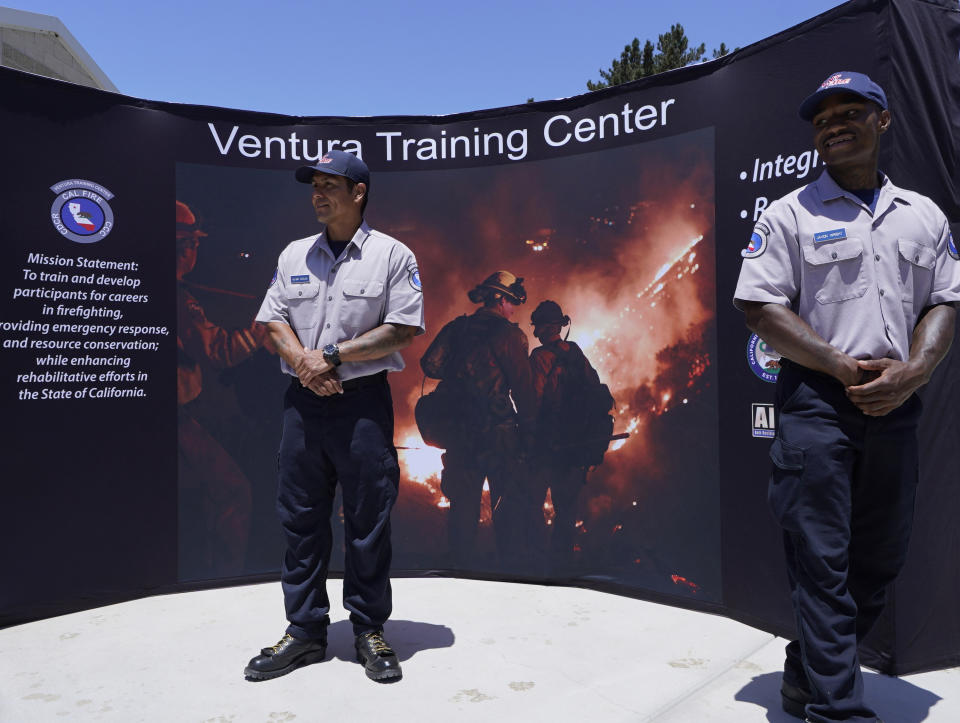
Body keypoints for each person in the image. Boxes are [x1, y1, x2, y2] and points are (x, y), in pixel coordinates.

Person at [734, 71, 960, 722]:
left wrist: (914, 372)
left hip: (897, 405)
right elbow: (759, 307)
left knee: (880, 561)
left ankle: (806, 670)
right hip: (818, 408)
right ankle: (838, 709)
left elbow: (945, 299)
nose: (832, 123)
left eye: (849, 111)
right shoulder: (788, 214)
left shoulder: (923, 215)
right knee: (822, 564)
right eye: (821, 117)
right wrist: (838, 366)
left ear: (882, 121)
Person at [244, 151, 424, 683]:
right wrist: (305, 362)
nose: (318, 194)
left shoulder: (393, 255)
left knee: (367, 521)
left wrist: (334, 357)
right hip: (304, 405)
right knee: (300, 520)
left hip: (362, 404)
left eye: (330, 185)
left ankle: (369, 630)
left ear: (358, 193)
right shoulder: (294, 254)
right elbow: (271, 318)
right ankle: (304, 633)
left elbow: (402, 329)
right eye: (314, 185)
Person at [419, 271, 537, 568]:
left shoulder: (457, 329)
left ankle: (461, 570)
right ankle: (511, 572)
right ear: (499, 299)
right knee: (507, 507)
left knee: (463, 508)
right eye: (511, 301)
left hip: (461, 434)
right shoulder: (511, 336)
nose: (513, 309)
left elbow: (430, 365)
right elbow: (523, 390)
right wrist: (532, 433)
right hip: (500, 436)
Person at [176, 200, 266, 579]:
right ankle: (221, 581)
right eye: (190, 243)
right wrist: (268, 324)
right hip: (175, 418)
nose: (194, 251)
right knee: (232, 492)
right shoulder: (178, 299)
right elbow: (220, 351)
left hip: (182, 411)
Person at [527, 300, 613, 569]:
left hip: (548, 446)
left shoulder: (539, 358)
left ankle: (538, 562)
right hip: (577, 446)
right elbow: (595, 389)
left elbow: (534, 402)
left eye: (539, 326)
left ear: (545, 328)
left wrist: (527, 438)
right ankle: (562, 563)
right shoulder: (576, 353)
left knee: (532, 504)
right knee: (566, 510)